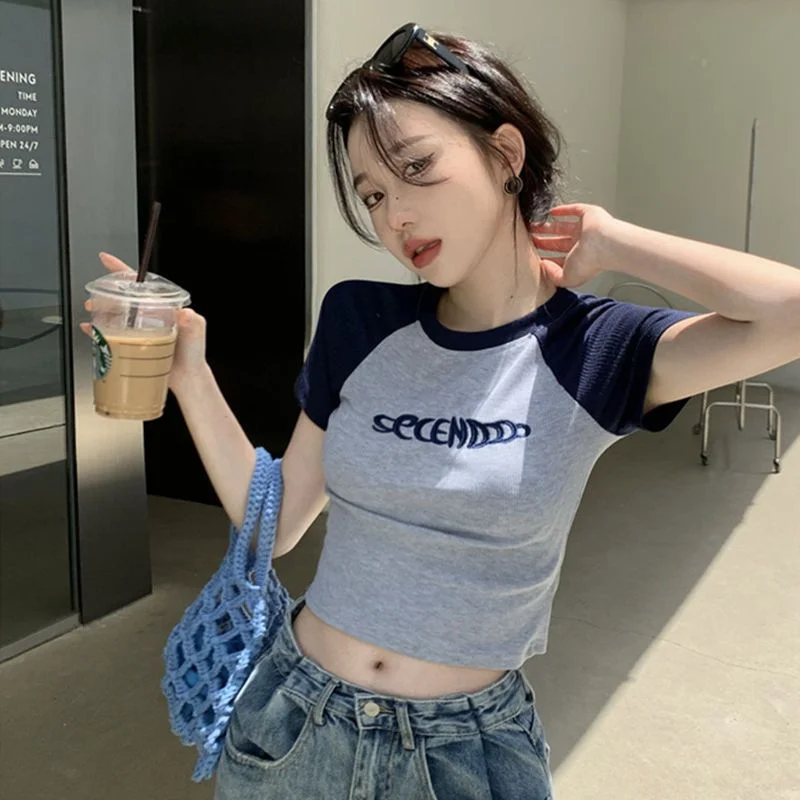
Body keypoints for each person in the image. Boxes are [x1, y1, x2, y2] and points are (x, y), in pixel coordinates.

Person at [89, 24, 800, 800]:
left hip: (462, 754)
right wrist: (190, 374)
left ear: (506, 153)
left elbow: (789, 315)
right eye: (373, 195)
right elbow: (277, 521)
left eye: (417, 168)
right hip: (293, 723)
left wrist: (614, 240)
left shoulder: (596, 347)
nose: (396, 215)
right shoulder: (361, 320)